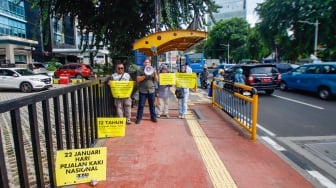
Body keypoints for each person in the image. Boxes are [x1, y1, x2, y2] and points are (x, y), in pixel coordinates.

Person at [135, 58, 159, 124]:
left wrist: (155, 72)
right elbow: (138, 79)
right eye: (145, 62)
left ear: (150, 63)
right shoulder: (140, 70)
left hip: (151, 90)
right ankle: (139, 118)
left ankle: (153, 117)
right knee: (141, 105)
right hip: (142, 90)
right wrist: (145, 75)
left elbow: (156, 80)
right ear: (143, 63)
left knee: (152, 105)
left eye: (148, 62)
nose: (146, 63)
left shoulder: (152, 70)